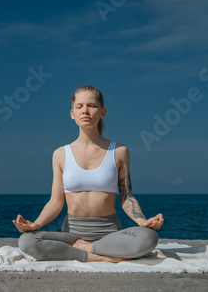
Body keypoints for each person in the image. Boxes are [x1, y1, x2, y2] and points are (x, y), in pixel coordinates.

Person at [12, 85, 164, 263]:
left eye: (91, 105)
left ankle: (85, 250)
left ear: (102, 112)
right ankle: (104, 257)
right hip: (72, 236)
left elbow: (127, 197)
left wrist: (143, 221)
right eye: (79, 106)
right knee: (27, 241)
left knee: (148, 237)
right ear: (72, 113)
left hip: (109, 234)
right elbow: (55, 201)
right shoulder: (60, 154)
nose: (85, 110)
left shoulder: (119, 151)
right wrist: (35, 224)